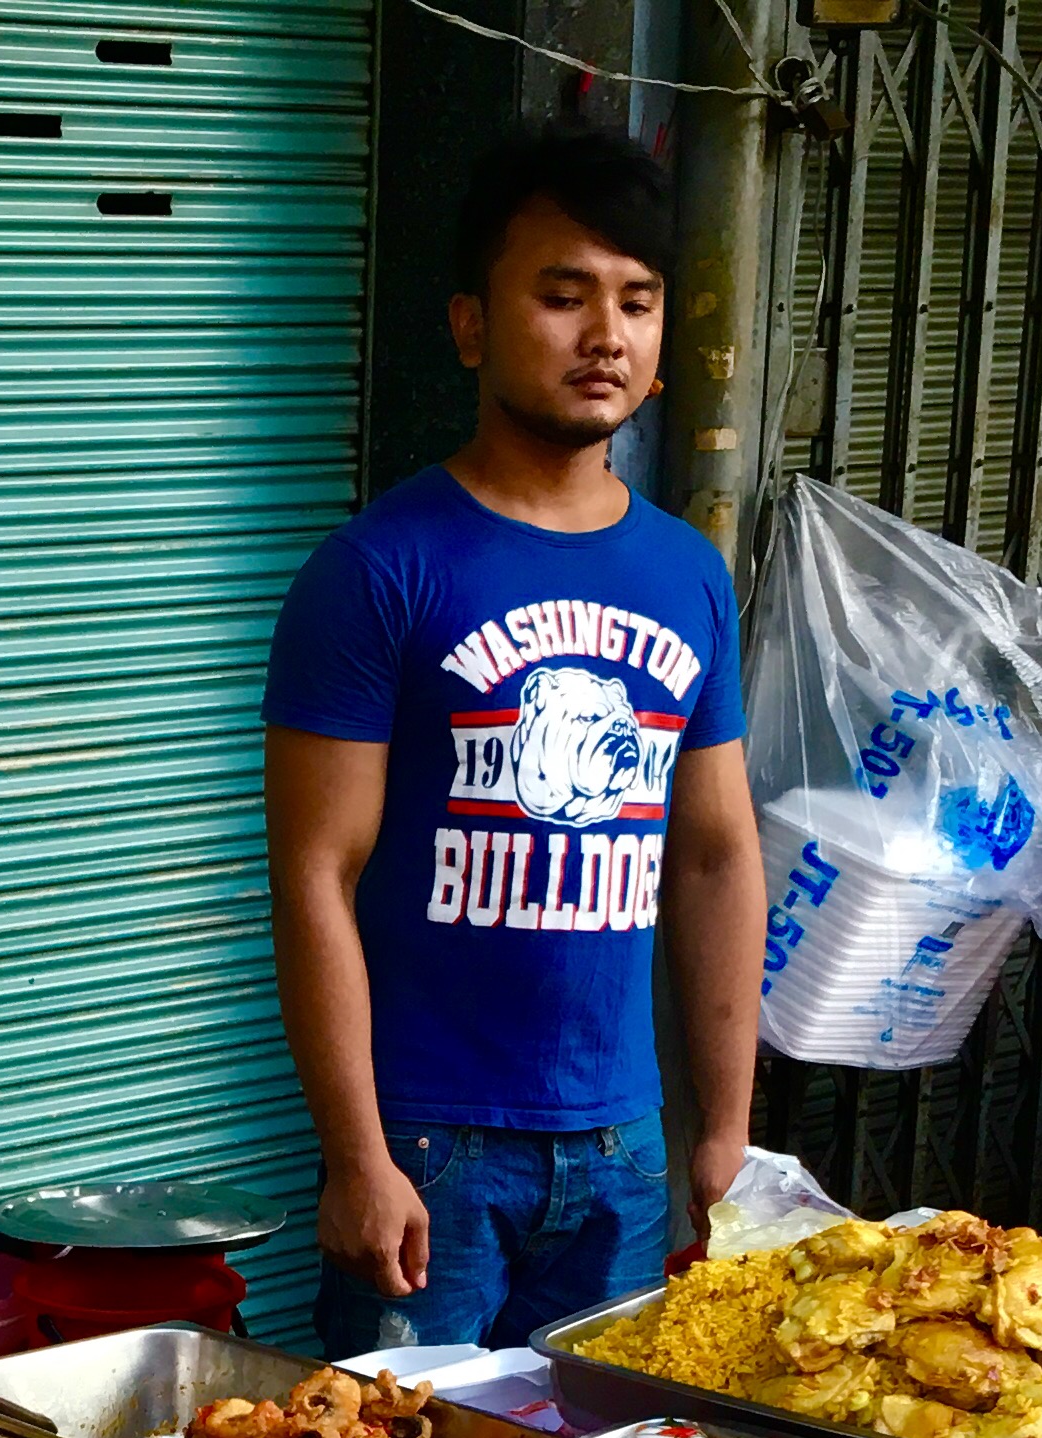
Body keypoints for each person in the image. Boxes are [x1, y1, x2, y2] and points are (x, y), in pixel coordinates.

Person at [261, 126, 759, 1352]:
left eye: (636, 301)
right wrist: (356, 1154)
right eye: (562, 294)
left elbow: (714, 855)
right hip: (430, 1144)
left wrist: (722, 1128)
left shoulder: (687, 574)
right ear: (471, 326)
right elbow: (315, 871)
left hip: (623, 1146)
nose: (606, 334)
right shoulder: (376, 569)